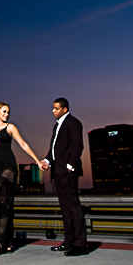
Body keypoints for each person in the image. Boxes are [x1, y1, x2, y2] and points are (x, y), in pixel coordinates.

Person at [0, 101, 44, 254]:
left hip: (8, 168)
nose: (6, 115)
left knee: (3, 204)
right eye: (4, 112)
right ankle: (4, 241)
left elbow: (23, 144)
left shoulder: (10, 127)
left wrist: (37, 161)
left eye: (8, 112)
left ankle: (0, 243)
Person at [40, 97, 87, 256]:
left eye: (56, 108)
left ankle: (79, 245)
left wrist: (68, 166)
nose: (53, 111)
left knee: (73, 208)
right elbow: (53, 148)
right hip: (57, 172)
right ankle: (68, 242)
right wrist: (47, 160)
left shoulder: (73, 123)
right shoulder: (56, 126)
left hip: (67, 172)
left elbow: (77, 146)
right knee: (65, 209)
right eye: (53, 108)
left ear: (65, 109)